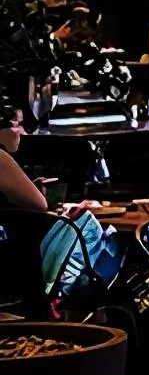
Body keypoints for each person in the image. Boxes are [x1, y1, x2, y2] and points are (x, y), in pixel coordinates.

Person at [0, 104, 124, 299]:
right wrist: (37, 194)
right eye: (18, 125)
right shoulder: (0, 158)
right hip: (12, 273)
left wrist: (28, 188)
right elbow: (40, 205)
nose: (22, 132)